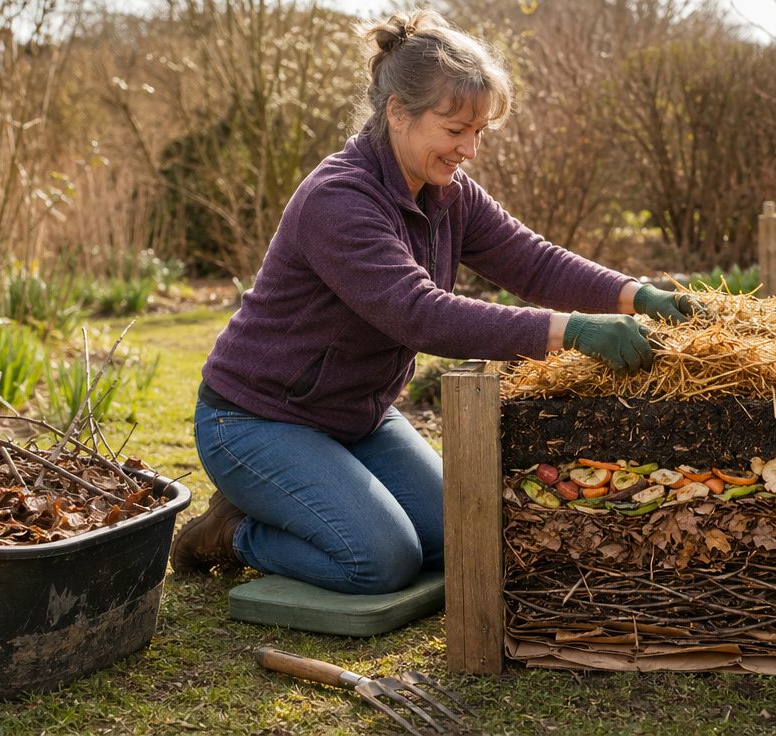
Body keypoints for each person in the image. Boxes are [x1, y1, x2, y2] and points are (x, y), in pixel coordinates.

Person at [170, 8, 699, 594]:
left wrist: (637, 295)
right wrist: (573, 331)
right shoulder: (338, 199)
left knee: (460, 536)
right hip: (256, 419)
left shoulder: (448, 192)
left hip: (357, 416)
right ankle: (233, 533)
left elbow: (533, 261)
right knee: (382, 561)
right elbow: (420, 314)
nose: (469, 148)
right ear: (398, 112)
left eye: (479, 132)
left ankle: (314, 497)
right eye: (455, 131)